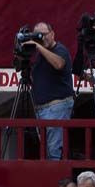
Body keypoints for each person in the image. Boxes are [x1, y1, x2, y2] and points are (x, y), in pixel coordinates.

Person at [20, 20, 73, 159]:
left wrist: (38, 46)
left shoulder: (59, 49)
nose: (42, 38)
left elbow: (59, 64)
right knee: (46, 151)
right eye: (38, 35)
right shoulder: (39, 56)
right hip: (42, 109)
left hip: (56, 106)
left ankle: (57, 179)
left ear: (53, 34)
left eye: (44, 34)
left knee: (54, 151)